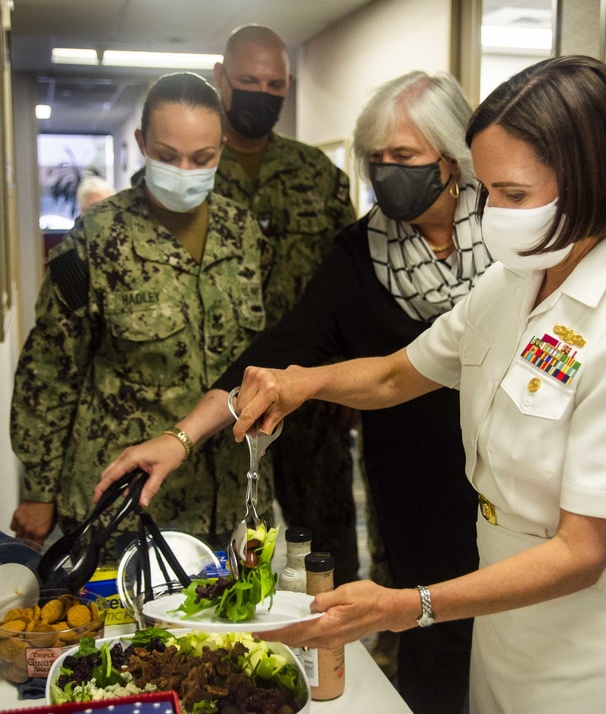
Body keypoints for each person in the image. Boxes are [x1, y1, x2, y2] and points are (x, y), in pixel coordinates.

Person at [228, 56, 606, 714]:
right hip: (504, 616)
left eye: (513, 195)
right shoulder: (515, 282)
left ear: (588, 182)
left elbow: (582, 552)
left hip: (591, 642)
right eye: (489, 190)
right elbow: (398, 373)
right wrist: (298, 384)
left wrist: (409, 606)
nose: (492, 212)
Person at [98, 70, 491, 713]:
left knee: (513, 639)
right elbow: (277, 355)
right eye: (378, 158)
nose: (388, 170)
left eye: (406, 157)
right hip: (416, 484)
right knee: (435, 641)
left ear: (451, 159)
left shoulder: (509, 240)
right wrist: (180, 437)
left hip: (506, 476)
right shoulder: (361, 255)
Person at [9, 72, 271, 550]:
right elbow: (49, 370)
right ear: (141, 143)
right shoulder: (97, 236)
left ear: (223, 148)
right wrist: (38, 491)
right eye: (168, 156)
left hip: (230, 498)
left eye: (203, 158)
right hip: (127, 502)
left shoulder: (243, 232)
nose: (185, 170)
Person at [211, 25, 360, 584]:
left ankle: (333, 654)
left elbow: (352, 283)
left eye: (275, 83)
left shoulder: (319, 177)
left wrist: (347, 378)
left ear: (289, 85)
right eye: (248, 80)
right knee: (227, 550)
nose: (261, 92)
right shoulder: (194, 170)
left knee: (325, 546)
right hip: (224, 396)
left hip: (310, 399)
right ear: (221, 78)